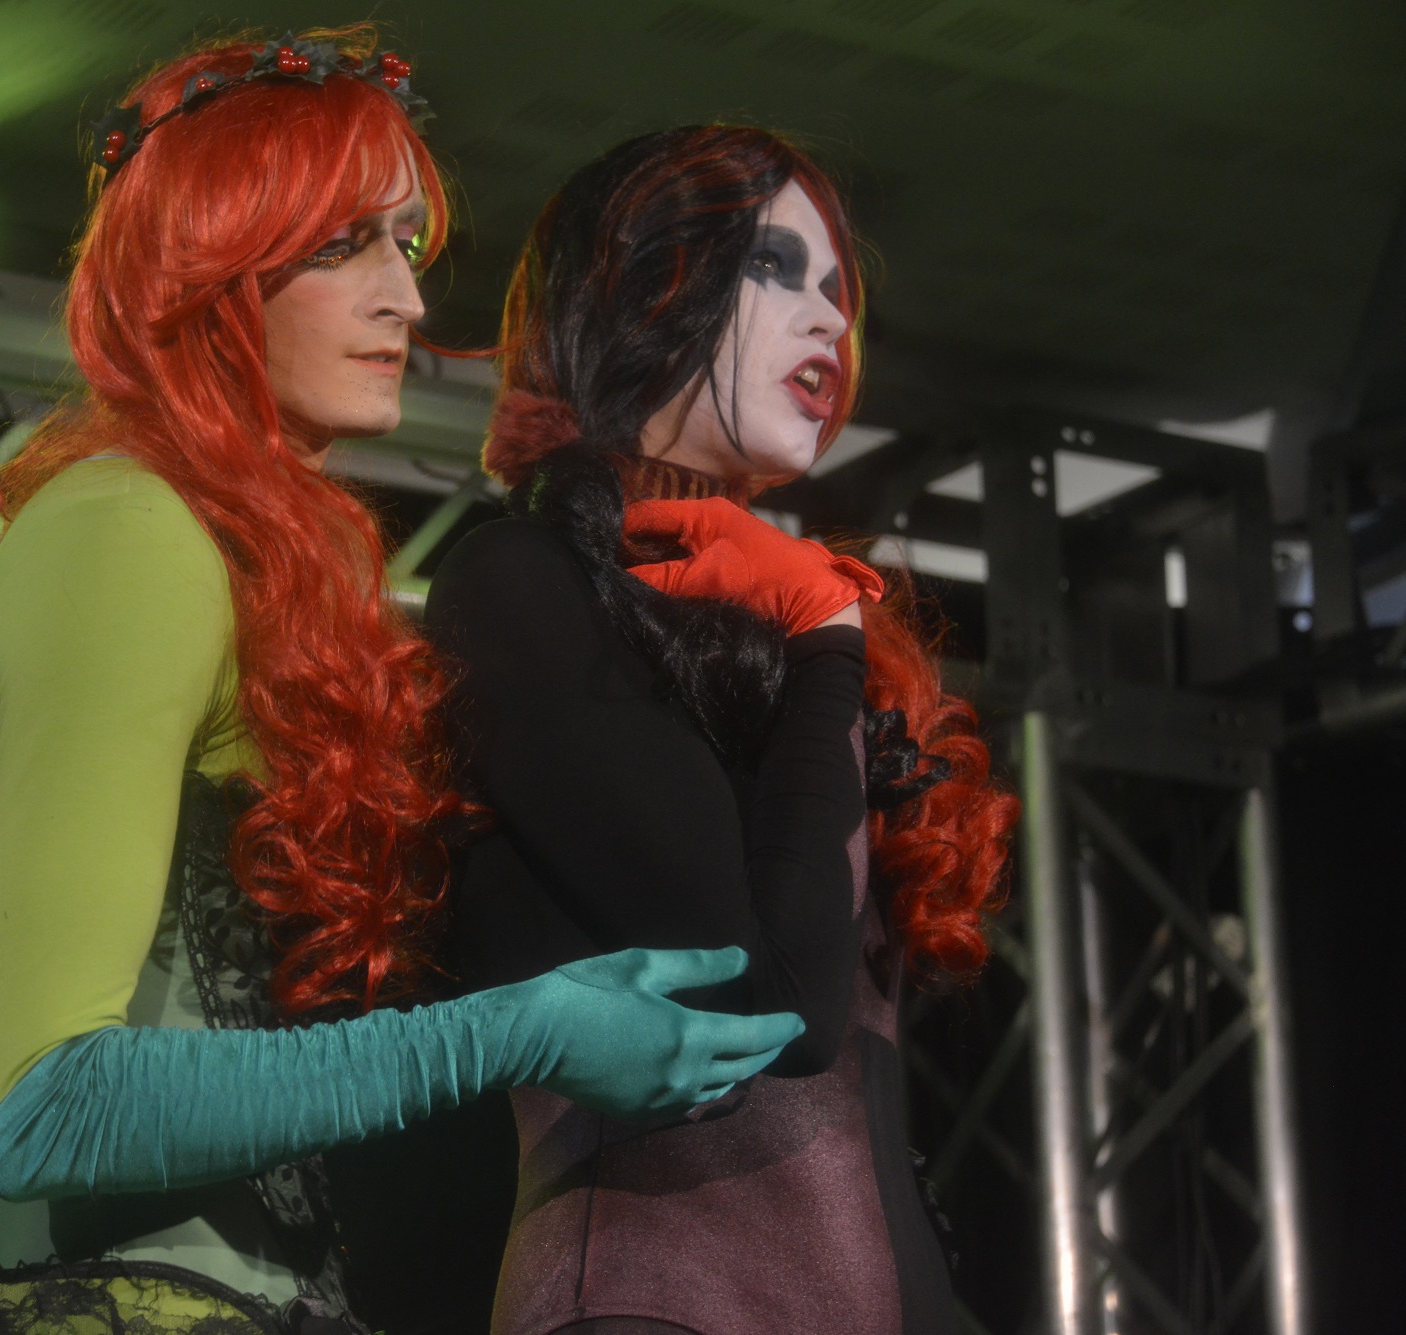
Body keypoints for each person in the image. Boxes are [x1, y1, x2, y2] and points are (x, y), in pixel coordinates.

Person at [0, 36, 806, 1335]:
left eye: (405, 245)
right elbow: (45, 1110)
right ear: (206, 271)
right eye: (344, 247)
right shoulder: (126, 532)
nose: (407, 300)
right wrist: (515, 1031)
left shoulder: (233, 560)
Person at [425, 125, 1021, 1334]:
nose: (828, 321)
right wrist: (823, 637)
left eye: (837, 291)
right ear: (635, 285)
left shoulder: (788, 620)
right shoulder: (518, 583)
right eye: (770, 267)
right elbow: (771, 1006)